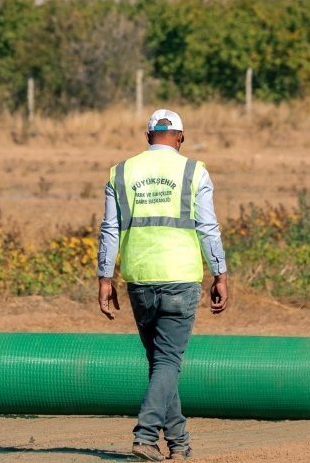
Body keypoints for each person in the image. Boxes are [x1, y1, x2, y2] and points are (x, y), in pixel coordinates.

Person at [98, 108, 229, 461]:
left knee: (160, 362)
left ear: (147, 137)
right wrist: (220, 273)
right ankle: (144, 435)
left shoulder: (121, 172)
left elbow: (110, 229)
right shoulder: (194, 171)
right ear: (181, 138)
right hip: (181, 278)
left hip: (139, 279)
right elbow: (208, 228)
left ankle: (180, 443)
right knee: (168, 361)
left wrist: (104, 277)